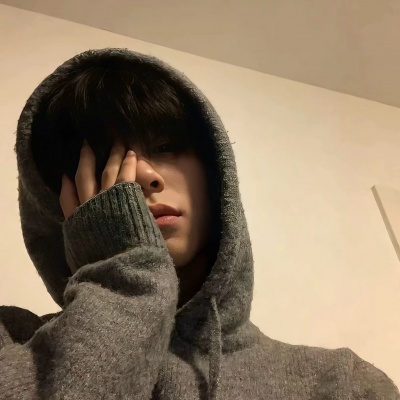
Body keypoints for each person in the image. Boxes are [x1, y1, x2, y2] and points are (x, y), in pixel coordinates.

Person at [0, 48, 398, 400]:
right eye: (107, 161)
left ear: (215, 176)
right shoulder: (11, 340)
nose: (143, 176)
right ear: (60, 205)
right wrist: (120, 278)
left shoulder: (341, 384)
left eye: (165, 147)